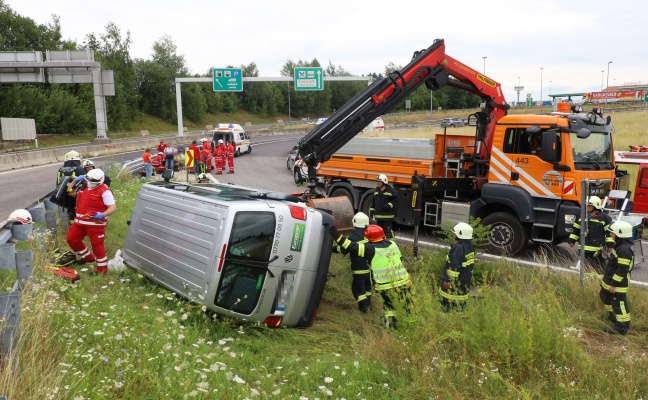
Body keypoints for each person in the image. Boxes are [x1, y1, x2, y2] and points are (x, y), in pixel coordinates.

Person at [330, 224, 411, 328]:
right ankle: (410, 327)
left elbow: (350, 246)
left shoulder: (370, 249)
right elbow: (400, 260)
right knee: (407, 305)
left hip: (386, 285)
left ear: (368, 237)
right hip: (404, 282)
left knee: (389, 307)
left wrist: (336, 236)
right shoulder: (393, 244)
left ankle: (391, 327)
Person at [65, 169, 116, 275]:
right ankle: (87, 257)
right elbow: (70, 193)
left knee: (97, 245)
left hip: (95, 224)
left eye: (94, 182)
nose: (91, 184)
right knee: (71, 239)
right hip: (79, 222)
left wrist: (103, 214)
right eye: (89, 181)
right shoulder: (83, 186)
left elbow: (112, 207)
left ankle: (102, 270)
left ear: (100, 181)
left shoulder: (105, 191)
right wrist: (74, 181)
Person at [600, 220, 634, 335]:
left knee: (619, 304)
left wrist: (614, 284)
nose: (611, 235)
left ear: (620, 234)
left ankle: (622, 327)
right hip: (611, 280)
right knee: (604, 296)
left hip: (618, 284)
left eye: (612, 233)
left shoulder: (624, 250)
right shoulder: (621, 246)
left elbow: (623, 270)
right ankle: (613, 316)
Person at [333, 212, 372, 313]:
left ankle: (363, 310)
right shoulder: (369, 236)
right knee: (367, 289)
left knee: (358, 291)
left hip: (359, 271)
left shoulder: (353, 237)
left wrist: (332, 249)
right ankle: (368, 305)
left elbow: (345, 249)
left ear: (354, 224)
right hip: (369, 271)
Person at [566, 196, 612, 273]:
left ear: (595, 206)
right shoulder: (582, 217)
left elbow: (609, 232)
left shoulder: (604, 218)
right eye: (586, 205)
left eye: (589, 205)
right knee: (585, 271)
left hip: (597, 250)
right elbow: (576, 230)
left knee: (599, 270)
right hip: (583, 249)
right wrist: (572, 240)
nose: (587, 207)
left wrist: (610, 244)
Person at [439, 222, 475, 310]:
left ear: (459, 234)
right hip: (464, 283)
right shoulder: (470, 247)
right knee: (461, 308)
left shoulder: (458, 248)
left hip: (453, 287)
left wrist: (448, 281)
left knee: (448, 308)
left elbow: (454, 268)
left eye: (454, 233)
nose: (453, 234)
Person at [370, 174, 399, 239]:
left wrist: (388, 206)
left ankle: (392, 244)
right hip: (378, 217)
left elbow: (396, 200)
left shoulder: (390, 190)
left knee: (388, 232)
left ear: (384, 182)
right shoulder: (376, 191)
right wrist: (372, 210)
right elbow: (373, 202)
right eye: (377, 181)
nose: (378, 183)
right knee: (379, 232)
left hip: (387, 217)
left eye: (379, 181)